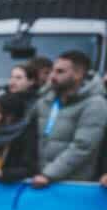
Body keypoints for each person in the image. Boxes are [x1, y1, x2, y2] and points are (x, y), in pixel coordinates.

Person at [30, 49, 107, 187]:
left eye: (60, 72)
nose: (52, 76)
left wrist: (49, 174)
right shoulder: (45, 100)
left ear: (78, 74)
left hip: (73, 185)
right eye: (53, 71)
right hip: (40, 179)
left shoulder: (95, 104)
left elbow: (83, 147)